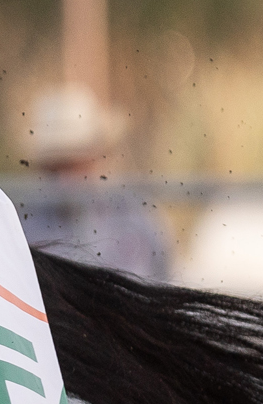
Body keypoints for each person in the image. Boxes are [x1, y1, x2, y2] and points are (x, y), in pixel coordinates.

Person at [16, 84, 173, 281]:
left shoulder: (135, 216)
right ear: (43, 168)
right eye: (57, 167)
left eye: (77, 164)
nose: (65, 179)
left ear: (97, 157)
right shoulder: (22, 225)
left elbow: (165, 281)